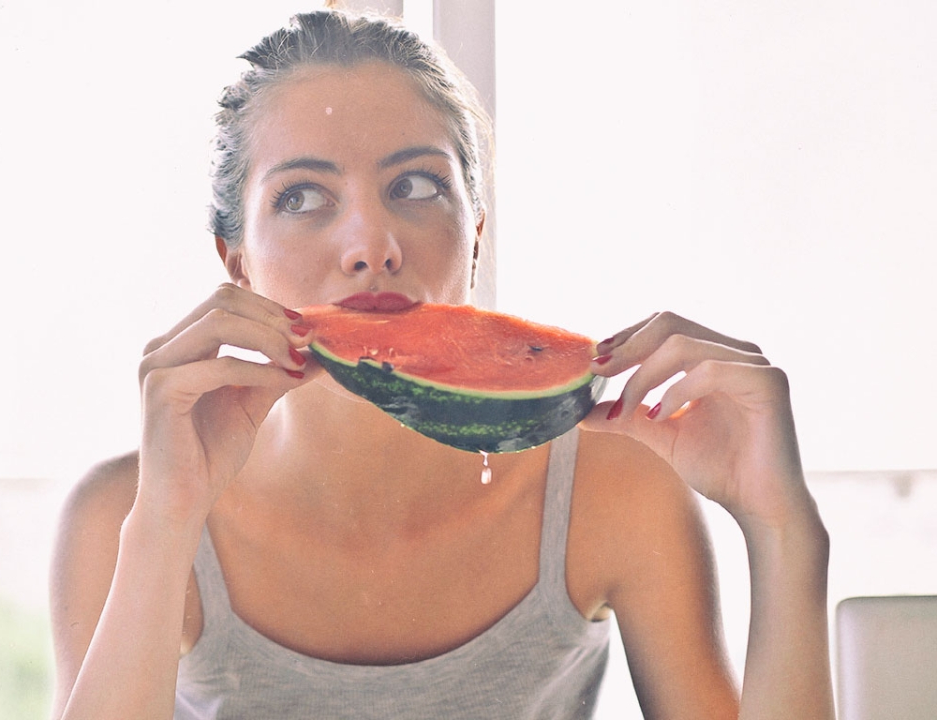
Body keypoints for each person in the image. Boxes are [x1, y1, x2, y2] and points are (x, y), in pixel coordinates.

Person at [48, 9, 833, 719]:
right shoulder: (124, 513)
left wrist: (784, 528)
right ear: (237, 261)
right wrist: (166, 522)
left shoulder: (610, 487)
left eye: (415, 186)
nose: (371, 246)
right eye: (302, 197)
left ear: (477, 232)